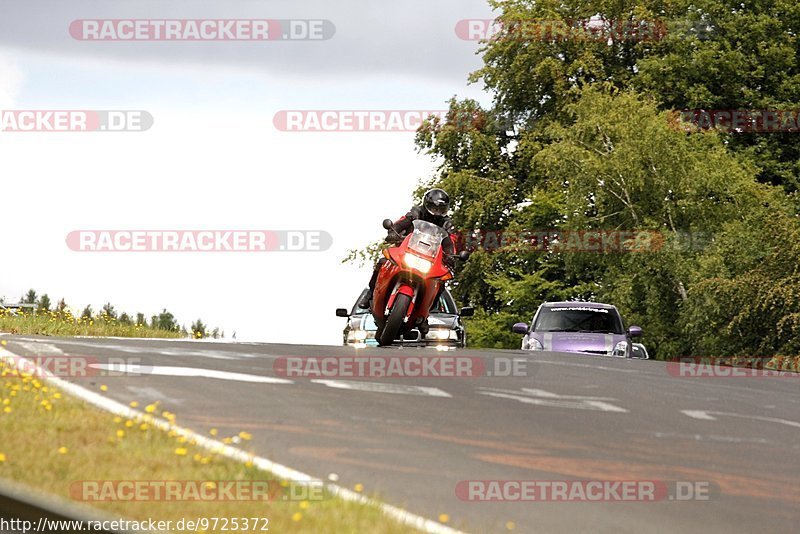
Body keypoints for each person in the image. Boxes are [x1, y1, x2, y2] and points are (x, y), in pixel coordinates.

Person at [358, 188, 457, 316]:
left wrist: (451, 256)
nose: (437, 212)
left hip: (430, 258)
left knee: (441, 280)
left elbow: (451, 242)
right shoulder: (415, 212)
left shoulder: (447, 223)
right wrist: (393, 232)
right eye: (434, 208)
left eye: (441, 209)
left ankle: (427, 314)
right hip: (406, 249)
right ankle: (370, 293)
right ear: (426, 204)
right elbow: (401, 223)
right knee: (382, 262)